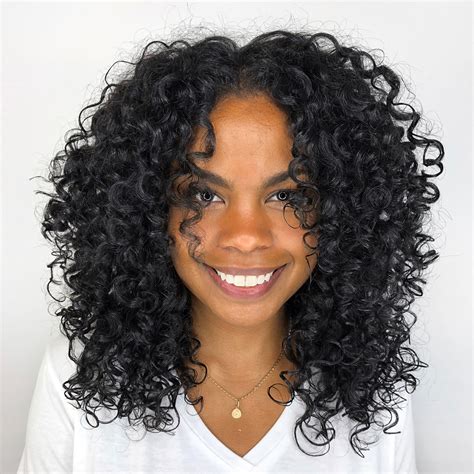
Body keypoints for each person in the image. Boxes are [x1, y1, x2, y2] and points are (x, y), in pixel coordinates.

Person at [18, 29, 444, 473]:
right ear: (147, 210)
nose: (245, 236)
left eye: (286, 196)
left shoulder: (373, 389)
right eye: (204, 195)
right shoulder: (78, 376)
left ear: (342, 213)